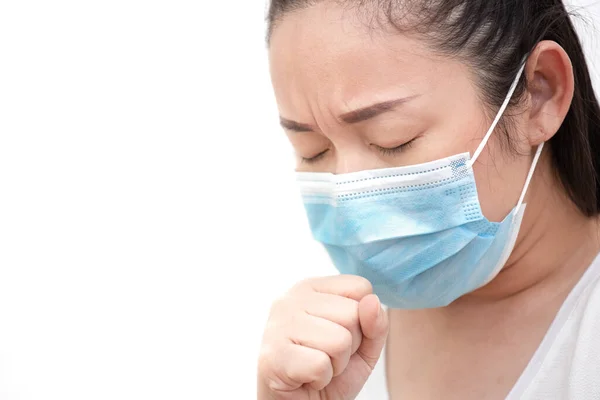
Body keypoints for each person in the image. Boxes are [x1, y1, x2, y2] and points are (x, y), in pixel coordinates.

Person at [257, 0, 600, 399]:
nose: (350, 207)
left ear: (538, 93)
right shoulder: (326, 348)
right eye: (311, 149)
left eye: (393, 140)